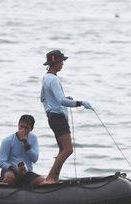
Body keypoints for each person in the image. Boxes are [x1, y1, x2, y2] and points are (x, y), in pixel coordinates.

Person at [39, 49, 94, 184]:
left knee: (62, 149)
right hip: (58, 118)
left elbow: (43, 98)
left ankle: (53, 178)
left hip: (52, 116)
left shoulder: (46, 78)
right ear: (55, 63)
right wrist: (80, 103)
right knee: (68, 150)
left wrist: (59, 102)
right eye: (61, 61)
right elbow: (61, 101)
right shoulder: (53, 80)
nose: (63, 64)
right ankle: (50, 178)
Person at [0, 115, 44, 186]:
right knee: (10, 177)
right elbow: (1, 162)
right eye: (21, 126)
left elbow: (35, 159)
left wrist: (26, 143)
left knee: (41, 180)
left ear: (31, 129)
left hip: (26, 172)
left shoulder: (33, 138)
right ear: (18, 125)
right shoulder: (8, 140)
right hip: (10, 170)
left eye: (26, 128)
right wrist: (13, 168)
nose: (23, 130)